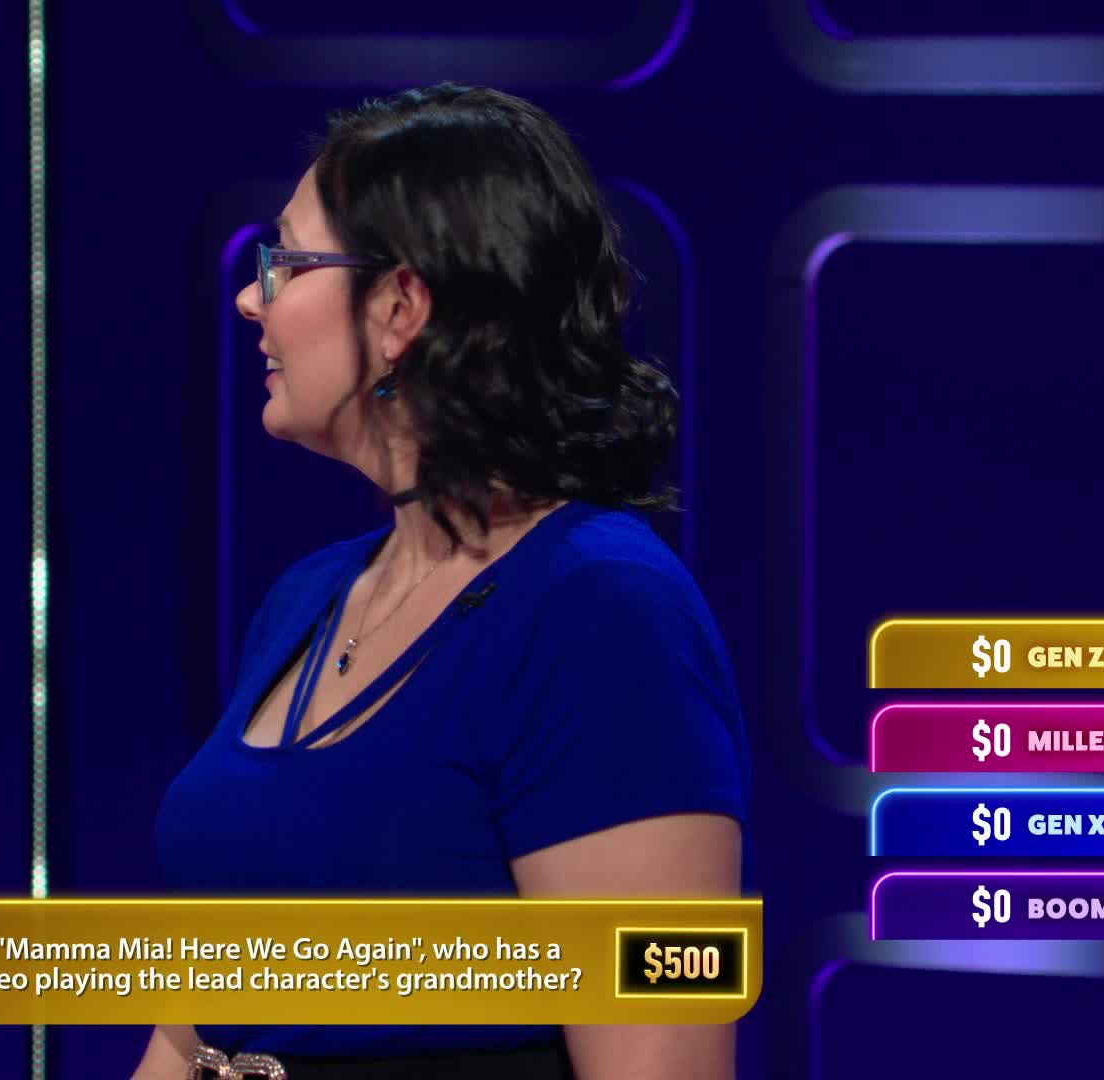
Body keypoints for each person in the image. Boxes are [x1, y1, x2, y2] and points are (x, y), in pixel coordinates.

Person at [135, 84, 750, 1079]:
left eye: (286, 263)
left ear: (400, 309)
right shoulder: (305, 600)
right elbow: (200, 1023)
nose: (252, 298)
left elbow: (659, 1059)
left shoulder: (603, 610)